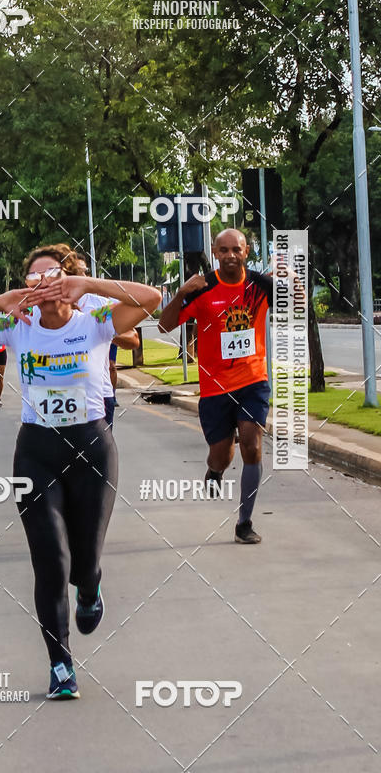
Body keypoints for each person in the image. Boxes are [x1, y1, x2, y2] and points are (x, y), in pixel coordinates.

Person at [0, 244, 161, 699]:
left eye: (52, 277)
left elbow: (151, 298)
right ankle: (61, 665)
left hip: (92, 450)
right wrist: (1, 302)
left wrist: (89, 285)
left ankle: (91, 586)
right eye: (33, 280)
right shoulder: (16, 327)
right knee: (51, 562)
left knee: (84, 561)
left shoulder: (95, 323)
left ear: (69, 280)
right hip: (36, 454)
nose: (42, 286)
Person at [159, 228, 272, 544]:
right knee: (221, 455)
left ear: (246, 251)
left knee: (252, 442)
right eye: (223, 250)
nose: (230, 255)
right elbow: (165, 325)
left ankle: (244, 523)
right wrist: (181, 294)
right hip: (215, 388)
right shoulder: (202, 287)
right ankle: (215, 471)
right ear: (215, 251)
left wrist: (294, 283)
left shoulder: (261, 285)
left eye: (236, 249)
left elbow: (297, 309)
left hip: (253, 381)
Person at [73, 251, 140, 428]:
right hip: (61, 396)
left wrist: (101, 328)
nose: (80, 277)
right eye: (73, 272)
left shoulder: (100, 305)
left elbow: (133, 339)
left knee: (99, 453)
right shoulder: (46, 308)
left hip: (98, 395)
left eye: (82, 271)